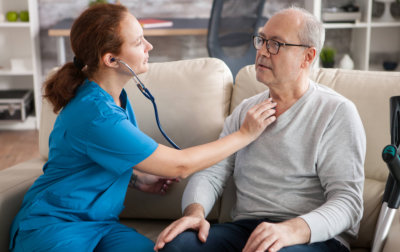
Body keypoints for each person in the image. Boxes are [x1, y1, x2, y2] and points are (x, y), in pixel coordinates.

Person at [9, 4, 277, 252]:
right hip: (54, 226)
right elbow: (179, 165)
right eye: (138, 42)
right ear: (111, 60)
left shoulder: (116, 99)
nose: (149, 46)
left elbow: (96, 159)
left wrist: (138, 180)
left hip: (101, 225)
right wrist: (245, 134)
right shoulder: (96, 114)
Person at [155, 6, 366, 252]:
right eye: (262, 40)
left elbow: (348, 203)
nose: (262, 51)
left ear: (307, 57)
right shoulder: (246, 111)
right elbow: (211, 174)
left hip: (313, 237)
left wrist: (290, 230)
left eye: (275, 44)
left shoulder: (336, 112)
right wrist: (195, 212)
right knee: (178, 245)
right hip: (248, 230)